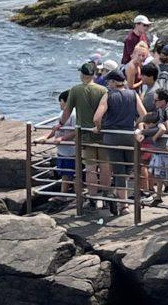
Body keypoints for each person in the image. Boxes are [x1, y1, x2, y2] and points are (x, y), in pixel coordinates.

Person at [93, 69, 145, 213]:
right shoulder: (133, 94)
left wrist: (98, 128)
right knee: (129, 167)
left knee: (119, 169)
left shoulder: (108, 96)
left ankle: (122, 203)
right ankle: (120, 199)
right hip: (129, 135)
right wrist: (136, 125)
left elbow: (97, 118)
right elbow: (144, 115)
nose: (108, 85)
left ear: (114, 82)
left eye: (109, 82)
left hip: (112, 136)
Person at [55, 62, 107, 202]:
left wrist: (59, 125)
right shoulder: (103, 90)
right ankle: (108, 196)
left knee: (90, 167)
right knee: (104, 166)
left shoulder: (75, 90)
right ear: (94, 74)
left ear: (82, 75)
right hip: (101, 134)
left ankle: (93, 198)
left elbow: (67, 112)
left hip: (84, 135)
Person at [46, 90, 76, 194]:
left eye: (61, 101)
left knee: (70, 173)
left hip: (70, 150)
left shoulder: (74, 114)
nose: (60, 104)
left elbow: (76, 131)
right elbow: (56, 128)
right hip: (62, 150)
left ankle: (68, 194)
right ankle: (64, 193)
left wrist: (62, 139)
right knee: (64, 173)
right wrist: (46, 137)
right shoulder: (62, 113)